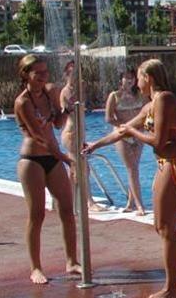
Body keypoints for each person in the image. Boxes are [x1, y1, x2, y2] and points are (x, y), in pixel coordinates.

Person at [85, 59, 176, 298]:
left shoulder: (164, 100)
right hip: (166, 163)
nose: (136, 83)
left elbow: (157, 141)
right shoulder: (151, 105)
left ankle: (171, 287)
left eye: (138, 77)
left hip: (175, 163)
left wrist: (132, 133)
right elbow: (123, 129)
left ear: (148, 77)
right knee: (162, 226)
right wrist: (95, 145)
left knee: (165, 226)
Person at [13, 54, 80, 284]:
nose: (43, 77)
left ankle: (72, 261)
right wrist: (65, 158)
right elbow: (38, 136)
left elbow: (57, 124)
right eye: (38, 73)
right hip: (32, 159)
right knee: (37, 214)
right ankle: (36, 268)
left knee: (67, 210)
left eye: (45, 72)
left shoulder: (49, 93)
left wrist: (66, 109)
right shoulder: (23, 102)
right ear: (26, 75)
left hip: (52, 159)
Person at [59, 61, 101, 212]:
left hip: (80, 132)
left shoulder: (80, 89)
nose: (76, 76)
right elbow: (66, 112)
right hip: (71, 133)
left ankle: (69, 200)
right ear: (67, 74)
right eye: (72, 73)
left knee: (79, 168)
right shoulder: (65, 92)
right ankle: (88, 202)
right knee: (81, 168)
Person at [106, 68, 148, 215]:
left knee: (135, 167)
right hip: (122, 134)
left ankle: (131, 202)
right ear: (120, 80)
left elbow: (147, 112)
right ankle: (139, 204)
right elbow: (109, 118)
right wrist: (124, 126)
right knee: (132, 168)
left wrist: (141, 127)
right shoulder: (114, 96)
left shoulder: (140, 95)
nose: (129, 80)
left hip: (137, 133)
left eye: (132, 77)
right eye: (126, 77)